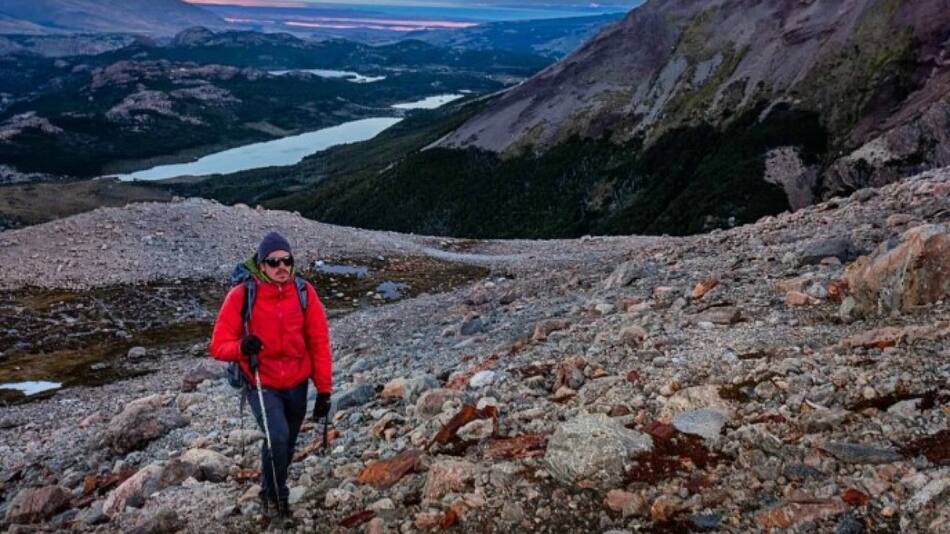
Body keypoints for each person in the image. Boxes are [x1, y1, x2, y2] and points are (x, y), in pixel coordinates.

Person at [209, 231, 332, 524]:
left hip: (297, 382)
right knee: (277, 437)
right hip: (261, 382)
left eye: (286, 261)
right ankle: (276, 496)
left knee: (286, 443)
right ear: (261, 265)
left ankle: (268, 489)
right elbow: (217, 345)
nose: (281, 267)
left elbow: (318, 342)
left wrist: (324, 390)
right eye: (273, 261)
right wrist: (241, 347)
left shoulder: (304, 292)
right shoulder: (242, 294)